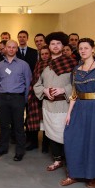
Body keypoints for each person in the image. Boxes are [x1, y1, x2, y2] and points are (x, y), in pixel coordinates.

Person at [60, 38, 95, 188]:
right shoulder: (76, 70)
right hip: (79, 108)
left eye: (86, 48)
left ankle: (94, 175)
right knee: (74, 139)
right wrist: (69, 113)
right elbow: (74, 93)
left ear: (92, 49)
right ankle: (74, 173)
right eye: (80, 48)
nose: (83, 51)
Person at [33, 32, 77, 170]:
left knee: (65, 134)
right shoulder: (42, 64)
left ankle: (70, 162)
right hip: (47, 105)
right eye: (53, 43)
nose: (56, 46)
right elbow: (36, 84)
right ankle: (57, 160)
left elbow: (77, 84)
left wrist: (64, 90)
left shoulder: (72, 63)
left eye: (58, 43)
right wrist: (45, 91)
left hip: (64, 105)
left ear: (63, 45)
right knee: (51, 133)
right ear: (49, 46)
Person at [0, 40, 32, 161]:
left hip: (18, 98)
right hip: (3, 98)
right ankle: (3, 148)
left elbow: (28, 83)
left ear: (17, 49)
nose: (11, 49)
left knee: (19, 126)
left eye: (13, 47)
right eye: (9, 47)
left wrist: (24, 99)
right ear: (5, 48)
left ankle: (20, 151)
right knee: (4, 125)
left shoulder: (23, 65)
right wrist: (1, 95)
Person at [26, 45, 51, 152]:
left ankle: (46, 144)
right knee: (34, 120)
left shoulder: (53, 65)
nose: (44, 56)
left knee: (47, 121)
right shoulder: (38, 64)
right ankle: (34, 143)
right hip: (36, 95)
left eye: (46, 54)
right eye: (42, 54)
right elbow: (34, 79)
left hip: (49, 96)